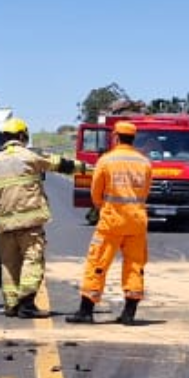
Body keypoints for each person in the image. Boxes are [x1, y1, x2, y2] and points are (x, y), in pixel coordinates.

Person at [0, 116, 80, 318]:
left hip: (3, 225)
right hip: (29, 223)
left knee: (8, 263)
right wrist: (86, 168)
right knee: (32, 260)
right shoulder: (29, 157)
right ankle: (27, 304)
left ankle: (11, 305)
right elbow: (59, 164)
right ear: (21, 135)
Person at [72, 120, 152, 325]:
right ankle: (129, 313)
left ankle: (86, 310)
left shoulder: (107, 160)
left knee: (97, 262)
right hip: (137, 221)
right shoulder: (144, 162)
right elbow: (146, 191)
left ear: (115, 137)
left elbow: (95, 192)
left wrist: (103, 206)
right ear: (133, 138)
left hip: (112, 221)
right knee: (135, 265)